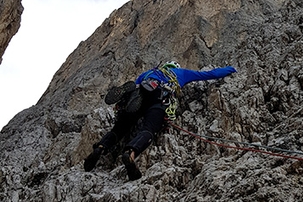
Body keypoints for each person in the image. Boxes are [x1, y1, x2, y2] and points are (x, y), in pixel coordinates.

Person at [84, 61, 236, 181]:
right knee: (148, 129)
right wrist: (231, 69)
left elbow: (136, 83)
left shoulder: (149, 72)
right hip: (158, 98)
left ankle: (101, 147)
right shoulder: (180, 72)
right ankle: (130, 153)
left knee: (119, 129)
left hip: (140, 93)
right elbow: (208, 74)